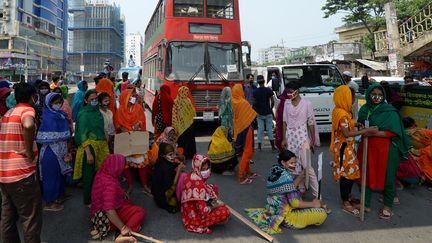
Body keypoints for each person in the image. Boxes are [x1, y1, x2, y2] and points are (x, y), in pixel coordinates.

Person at [357, 83, 411, 219]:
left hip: (386, 150)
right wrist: (361, 127)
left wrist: (373, 133)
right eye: (373, 94)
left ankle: (388, 205)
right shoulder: (364, 109)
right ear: (368, 94)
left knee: (388, 176)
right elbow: (360, 126)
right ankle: (366, 204)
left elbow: (394, 132)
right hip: (367, 147)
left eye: (380, 95)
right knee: (366, 174)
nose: (376, 97)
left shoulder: (390, 111)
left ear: (384, 96)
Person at [245, 150, 327, 234]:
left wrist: (301, 176)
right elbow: (294, 203)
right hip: (286, 217)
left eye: (295, 163)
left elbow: (288, 187)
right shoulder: (286, 178)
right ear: (283, 163)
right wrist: (313, 204)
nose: (294, 166)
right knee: (322, 213)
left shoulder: (276, 170)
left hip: (274, 210)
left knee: (299, 194)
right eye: (291, 163)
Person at [0, 82, 43, 242]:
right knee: (30, 219)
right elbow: (28, 124)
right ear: (33, 96)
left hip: (5, 173)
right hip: (22, 174)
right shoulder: (27, 110)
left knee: (8, 218)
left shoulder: (9, 113)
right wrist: (28, 150)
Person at [330, 85, 378, 217]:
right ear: (345, 97)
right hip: (344, 148)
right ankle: (345, 202)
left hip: (345, 147)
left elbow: (346, 127)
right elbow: (346, 133)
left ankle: (348, 196)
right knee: (346, 175)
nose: (353, 99)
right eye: (351, 97)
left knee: (350, 173)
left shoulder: (339, 110)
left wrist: (356, 124)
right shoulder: (342, 114)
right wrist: (367, 130)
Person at [90, 154, 145, 240]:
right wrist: (123, 228)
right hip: (106, 220)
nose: (122, 169)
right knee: (140, 211)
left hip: (96, 215)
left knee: (128, 202)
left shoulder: (102, 173)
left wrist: (122, 192)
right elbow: (108, 210)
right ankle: (122, 236)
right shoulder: (110, 185)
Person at [281, 81, 321, 198]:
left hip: (303, 138)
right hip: (290, 138)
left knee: (307, 167)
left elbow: (311, 122)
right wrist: (284, 139)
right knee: (293, 165)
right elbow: (284, 122)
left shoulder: (306, 104)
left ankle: (318, 197)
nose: (289, 94)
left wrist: (312, 140)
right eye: (287, 92)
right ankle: (301, 188)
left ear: (297, 91)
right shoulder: (286, 104)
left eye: (291, 92)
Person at [36, 93, 73, 211]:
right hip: (50, 151)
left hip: (62, 149)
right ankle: (49, 202)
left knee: (60, 175)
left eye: (59, 102)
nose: (58, 104)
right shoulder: (48, 117)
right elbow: (43, 137)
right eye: (55, 102)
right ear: (48, 104)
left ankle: (59, 195)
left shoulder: (61, 115)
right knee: (51, 176)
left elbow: (68, 133)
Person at [73, 89, 109, 205]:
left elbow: (100, 126)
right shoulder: (84, 114)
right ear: (85, 100)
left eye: (95, 99)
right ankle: (88, 200)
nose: (94, 101)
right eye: (91, 99)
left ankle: (97, 196)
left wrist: (105, 135)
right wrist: (88, 152)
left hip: (101, 144)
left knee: (99, 173)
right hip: (89, 147)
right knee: (89, 176)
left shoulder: (96, 111)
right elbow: (83, 133)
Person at [181, 154, 230, 234]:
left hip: (188, 210)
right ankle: (203, 223)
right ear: (198, 168)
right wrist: (218, 205)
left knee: (213, 187)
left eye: (207, 168)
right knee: (225, 211)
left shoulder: (192, 174)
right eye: (203, 169)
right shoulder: (198, 184)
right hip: (195, 217)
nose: (206, 171)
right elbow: (204, 211)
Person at [114, 89, 148, 194]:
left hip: (137, 138)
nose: (134, 98)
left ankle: (145, 185)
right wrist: (123, 128)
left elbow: (142, 120)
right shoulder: (120, 111)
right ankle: (130, 185)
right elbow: (117, 124)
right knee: (126, 164)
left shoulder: (138, 108)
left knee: (141, 163)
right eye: (131, 96)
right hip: (125, 140)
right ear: (125, 98)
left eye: (134, 96)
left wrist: (139, 124)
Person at [232, 84, 258, 184]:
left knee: (245, 152)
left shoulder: (233, 101)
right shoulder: (243, 102)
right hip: (246, 128)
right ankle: (241, 176)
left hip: (239, 129)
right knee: (248, 152)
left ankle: (248, 172)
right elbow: (252, 114)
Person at [151, 143, 186, 213]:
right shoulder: (165, 169)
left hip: (158, 195)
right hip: (164, 197)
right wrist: (179, 171)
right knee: (183, 176)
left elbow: (177, 162)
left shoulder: (161, 161)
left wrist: (180, 159)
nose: (173, 156)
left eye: (173, 154)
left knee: (181, 173)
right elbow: (170, 188)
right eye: (170, 155)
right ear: (164, 156)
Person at [172, 86, 197, 160]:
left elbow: (174, 115)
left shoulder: (176, 101)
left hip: (180, 126)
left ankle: (181, 155)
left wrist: (175, 125)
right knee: (189, 140)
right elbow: (193, 113)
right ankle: (190, 155)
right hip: (189, 125)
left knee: (181, 141)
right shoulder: (188, 101)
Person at [253, 75, 276, 151]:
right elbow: (272, 101)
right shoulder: (268, 90)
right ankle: (273, 147)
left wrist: (257, 111)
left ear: (258, 83)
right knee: (269, 129)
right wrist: (270, 108)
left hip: (259, 113)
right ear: (264, 81)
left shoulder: (255, 91)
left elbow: (254, 103)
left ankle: (259, 146)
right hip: (268, 112)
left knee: (260, 129)